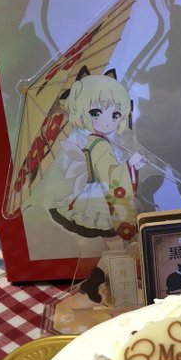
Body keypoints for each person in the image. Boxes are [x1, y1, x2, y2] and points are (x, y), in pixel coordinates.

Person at [49, 72, 146, 303]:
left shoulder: (99, 142)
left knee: (115, 250)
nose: (107, 121)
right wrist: (130, 165)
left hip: (101, 199)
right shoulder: (99, 145)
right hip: (103, 203)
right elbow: (110, 175)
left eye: (115, 114)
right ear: (83, 113)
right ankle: (98, 287)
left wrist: (131, 165)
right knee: (117, 250)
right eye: (96, 113)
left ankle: (93, 286)